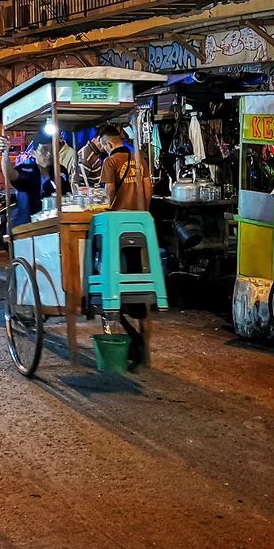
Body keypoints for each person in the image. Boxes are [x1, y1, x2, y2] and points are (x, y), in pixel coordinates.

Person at [96, 123, 153, 367]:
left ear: (107, 142)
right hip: (139, 226)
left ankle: (127, 339)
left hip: (117, 229)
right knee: (140, 284)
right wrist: (143, 213)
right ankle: (143, 345)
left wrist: (104, 209)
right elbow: (149, 186)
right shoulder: (138, 157)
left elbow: (109, 192)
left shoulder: (110, 162)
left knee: (114, 282)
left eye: (101, 143)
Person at [0, 135, 70, 228]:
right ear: (33, 152)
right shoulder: (26, 169)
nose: (48, 154)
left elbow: (68, 195)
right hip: (27, 227)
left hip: (56, 225)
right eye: (44, 150)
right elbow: (10, 174)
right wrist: (5, 154)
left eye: (52, 150)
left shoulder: (61, 170)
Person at [97, 123, 152, 212]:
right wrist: (146, 209)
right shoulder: (139, 159)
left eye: (105, 147)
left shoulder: (110, 161)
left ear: (110, 145)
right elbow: (148, 186)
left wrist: (106, 209)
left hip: (119, 214)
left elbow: (110, 189)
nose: (105, 151)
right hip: (139, 213)